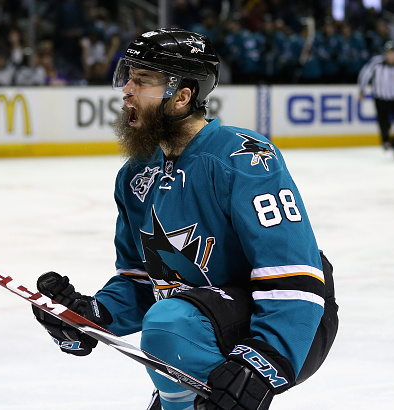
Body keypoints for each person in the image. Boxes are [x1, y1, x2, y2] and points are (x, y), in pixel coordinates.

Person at [32, 29, 338, 410]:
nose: (126, 89)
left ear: (181, 96)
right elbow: (145, 281)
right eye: (127, 76)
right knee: (170, 319)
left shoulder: (243, 158)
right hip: (198, 318)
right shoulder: (135, 176)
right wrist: (94, 314)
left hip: (290, 319)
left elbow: (294, 275)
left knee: (168, 323)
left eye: (142, 80)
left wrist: (264, 362)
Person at [358, 41, 394, 150]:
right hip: (380, 97)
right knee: (383, 122)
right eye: (389, 53)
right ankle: (386, 140)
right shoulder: (376, 62)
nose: (391, 55)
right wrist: (361, 90)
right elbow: (365, 74)